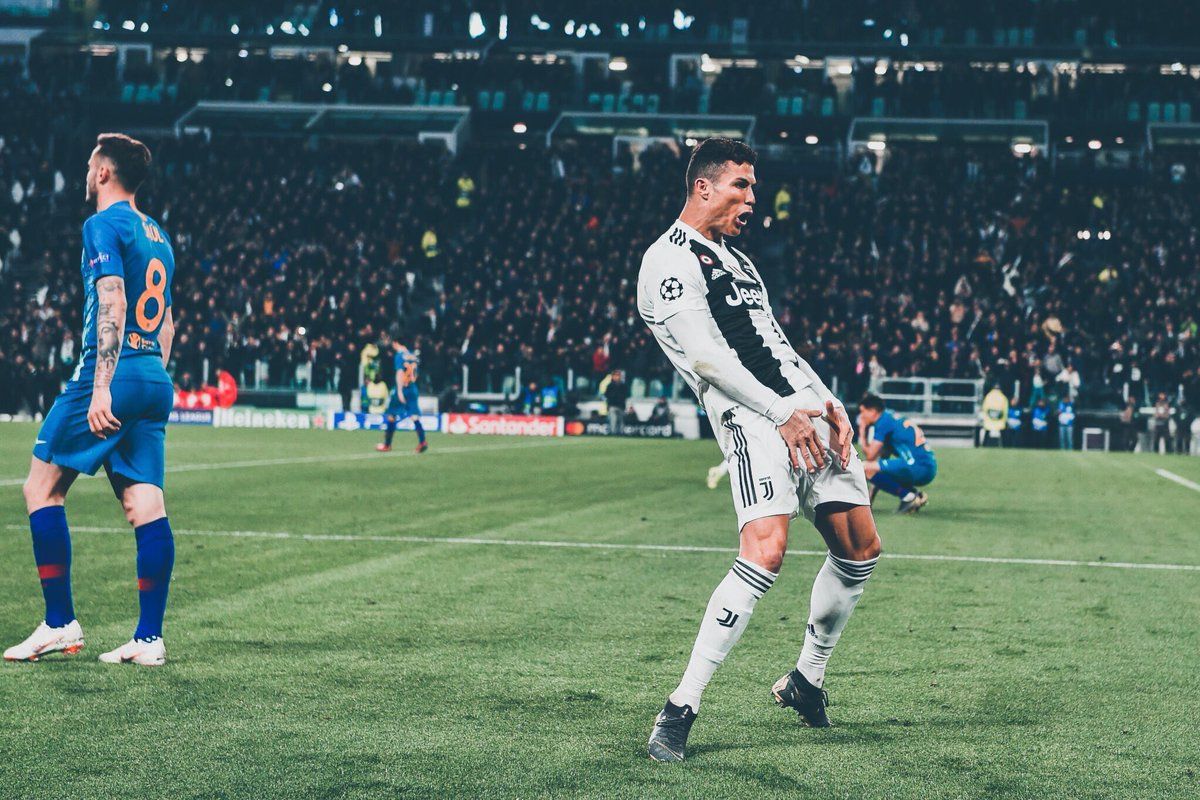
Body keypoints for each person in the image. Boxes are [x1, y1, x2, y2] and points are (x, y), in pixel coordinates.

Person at [637, 138, 879, 762]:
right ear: (704, 187)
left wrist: (829, 402)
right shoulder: (667, 260)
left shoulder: (740, 261)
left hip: (803, 410)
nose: (752, 199)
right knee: (766, 552)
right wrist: (780, 413)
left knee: (859, 549)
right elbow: (705, 357)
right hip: (752, 418)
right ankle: (679, 708)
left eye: (753, 186)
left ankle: (806, 680)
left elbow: (777, 342)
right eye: (741, 185)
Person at [5, 134, 177, 667]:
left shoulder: (102, 224)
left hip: (112, 373)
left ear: (104, 172)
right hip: (153, 375)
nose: (85, 172)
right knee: (145, 504)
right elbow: (168, 324)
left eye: (89, 164)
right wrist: (146, 376)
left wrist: (103, 386)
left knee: (41, 488)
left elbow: (113, 300)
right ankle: (149, 639)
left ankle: (60, 623)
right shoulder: (159, 235)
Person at [856, 394, 938, 513]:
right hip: (927, 467)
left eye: (863, 412)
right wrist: (869, 500)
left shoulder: (883, 422)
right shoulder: (890, 417)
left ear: (873, 411)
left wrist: (862, 430)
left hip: (917, 466)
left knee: (863, 467)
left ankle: (909, 496)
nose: (861, 416)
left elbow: (870, 456)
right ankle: (913, 494)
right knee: (873, 468)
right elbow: (877, 466)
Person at [376, 340, 428, 453]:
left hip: (402, 388)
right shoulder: (412, 355)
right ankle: (422, 441)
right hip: (412, 388)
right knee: (414, 416)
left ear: (396, 343)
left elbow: (400, 372)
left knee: (391, 415)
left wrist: (399, 391)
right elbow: (416, 372)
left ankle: (387, 445)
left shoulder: (399, 356)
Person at [604, 370, 629, 435]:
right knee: (613, 420)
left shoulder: (623, 386)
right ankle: (613, 433)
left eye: (618, 375)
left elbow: (626, 395)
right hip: (612, 406)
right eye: (615, 375)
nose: (617, 377)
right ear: (613, 376)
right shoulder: (610, 386)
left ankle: (621, 433)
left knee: (621, 421)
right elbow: (606, 395)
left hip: (621, 406)